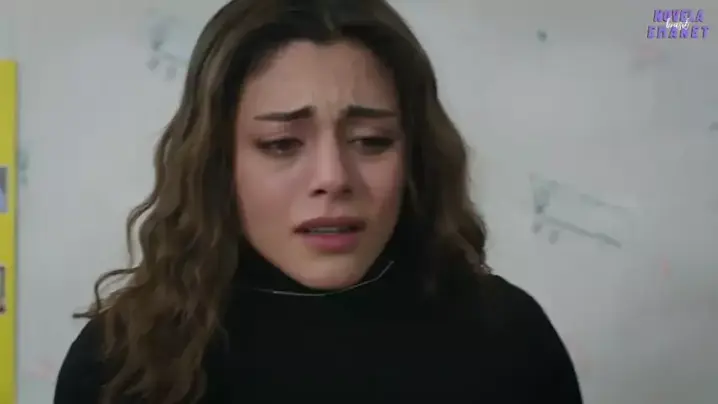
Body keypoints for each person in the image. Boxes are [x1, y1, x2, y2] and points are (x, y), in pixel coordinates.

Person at [55, 0, 583, 403]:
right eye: (281, 144)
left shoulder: (510, 339)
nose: (332, 179)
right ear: (218, 161)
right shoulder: (120, 362)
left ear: (416, 155)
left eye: (372, 141)